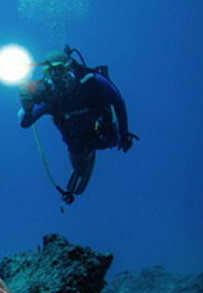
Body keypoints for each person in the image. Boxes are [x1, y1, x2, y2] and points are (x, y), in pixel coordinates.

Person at [18, 46, 138, 204]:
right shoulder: (50, 98)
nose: (56, 77)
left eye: (59, 70)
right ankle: (84, 161)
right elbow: (26, 123)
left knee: (109, 140)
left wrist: (124, 132)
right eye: (49, 72)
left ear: (69, 68)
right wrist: (27, 109)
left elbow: (117, 100)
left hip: (102, 132)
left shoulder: (91, 82)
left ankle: (93, 149)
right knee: (79, 167)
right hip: (76, 141)